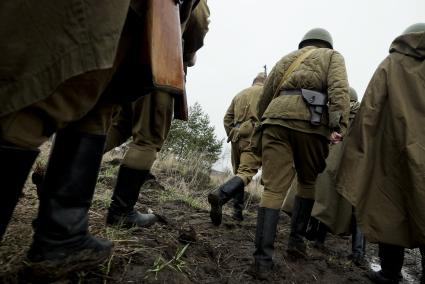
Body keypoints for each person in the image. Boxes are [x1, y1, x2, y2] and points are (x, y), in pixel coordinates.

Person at [0, 0, 185, 278]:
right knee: (32, 106)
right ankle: (111, 216)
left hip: (125, 32)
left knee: (96, 111)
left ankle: (62, 233)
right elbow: (198, 20)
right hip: (142, 39)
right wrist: (186, 52)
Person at [252, 28, 350, 279]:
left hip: (275, 119)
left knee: (273, 189)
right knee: (307, 181)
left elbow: (265, 97)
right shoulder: (332, 56)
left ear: (304, 42)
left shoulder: (286, 58)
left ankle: (261, 261)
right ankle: (296, 242)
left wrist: (264, 120)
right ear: (326, 43)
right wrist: (339, 126)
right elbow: (339, 90)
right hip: (312, 122)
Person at [103, 0, 210, 228]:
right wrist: (189, 53)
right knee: (148, 139)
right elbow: (199, 21)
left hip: (121, 52)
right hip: (159, 57)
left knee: (118, 126)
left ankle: (58, 178)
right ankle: (121, 212)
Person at [336, 23, 425, 284]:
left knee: (389, 208)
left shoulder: (392, 63)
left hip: (393, 151)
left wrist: (359, 151)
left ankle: (390, 272)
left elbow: (370, 109)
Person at [208, 72, 264, 225]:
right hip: (253, 137)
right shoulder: (266, 93)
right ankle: (220, 195)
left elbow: (227, 118)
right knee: (246, 173)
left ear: (254, 81)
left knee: (239, 173)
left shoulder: (240, 94)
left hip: (236, 137)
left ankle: (237, 213)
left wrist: (232, 134)